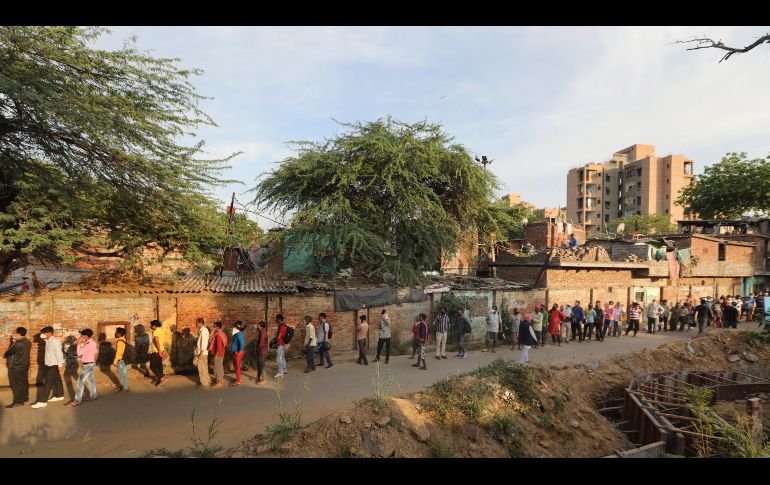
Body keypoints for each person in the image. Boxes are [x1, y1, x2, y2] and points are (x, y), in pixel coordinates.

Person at [31, 326, 65, 408]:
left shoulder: (54, 341)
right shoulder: (48, 340)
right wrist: (45, 339)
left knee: (47, 383)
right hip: (49, 364)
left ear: (49, 333)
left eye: (43, 333)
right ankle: (59, 395)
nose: (42, 335)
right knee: (57, 380)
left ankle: (43, 401)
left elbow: (59, 353)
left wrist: (60, 365)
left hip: (53, 365)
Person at [65, 329, 98, 407]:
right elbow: (95, 352)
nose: (81, 336)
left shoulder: (90, 344)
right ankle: (93, 395)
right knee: (91, 380)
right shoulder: (91, 343)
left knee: (80, 381)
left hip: (88, 365)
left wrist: (79, 343)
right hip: (90, 363)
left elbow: (79, 353)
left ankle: (77, 401)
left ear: (86, 336)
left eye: (82, 335)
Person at [4, 327, 31, 408]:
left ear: (19, 334)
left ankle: (18, 402)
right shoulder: (28, 342)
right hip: (24, 366)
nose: (13, 334)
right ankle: (25, 398)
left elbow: (7, 353)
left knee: (16, 385)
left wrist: (13, 342)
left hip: (15, 367)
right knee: (24, 382)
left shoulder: (17, 343)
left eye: (15, 332)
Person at [148, 320, 168, 386]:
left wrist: (159, 350)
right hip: (161, 350)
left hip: (157, 351)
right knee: (159, 365)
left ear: (154, 325)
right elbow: (163, 340)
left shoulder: (155, 331)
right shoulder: (161, 331)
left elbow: (157, 341)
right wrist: (164, 349)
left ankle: (162, 378)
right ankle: (160, 379)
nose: (151, 326)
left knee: (152, 366)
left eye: (151, 325)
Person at [209, 321, 227, 387]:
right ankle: (220, 379)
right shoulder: (221, 334)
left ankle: (220, 381)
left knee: (218, 367)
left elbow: (219, 347)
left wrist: (216, 355)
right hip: (221, 353)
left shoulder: (218, 336)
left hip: (218, 353)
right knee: (219, 366)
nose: (213, 327)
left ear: (217, 327)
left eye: (214, 326)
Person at [194, 317, 210, 388]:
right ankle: (207, 380)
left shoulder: (203, 331)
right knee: (204, 367)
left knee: (201, 368)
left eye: (196, 322)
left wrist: (201, 353)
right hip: (203, 352)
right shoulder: (203, 330)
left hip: (202, 352)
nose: (196, 324)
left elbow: (204, 342)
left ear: (200, 323)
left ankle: (204, 382)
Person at [113, 327, 129, 393]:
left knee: (123, 375)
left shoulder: (119, 342)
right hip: (124, 360)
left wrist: (115, 361)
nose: (115, 333)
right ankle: (124, 386)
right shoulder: (124, 340)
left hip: (121, 360)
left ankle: (125, 388)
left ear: (119, 334)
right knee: (124, 374)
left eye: (116, 332)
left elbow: (118, 353)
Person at [230, 321, 245, 385]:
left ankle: (238, 381)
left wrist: (239, 351)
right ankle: (238, 378)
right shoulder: (237, 334)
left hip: (237, 353)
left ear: (237, 327)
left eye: (234, 326)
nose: (233, 327)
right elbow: (235, 342)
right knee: (236, 366)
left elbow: (242, 343)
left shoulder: (239, 334)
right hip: (235, 352)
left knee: (237, 366)